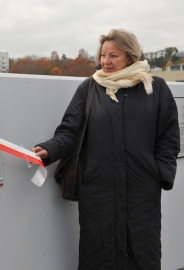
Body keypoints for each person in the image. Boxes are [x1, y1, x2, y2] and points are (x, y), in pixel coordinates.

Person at [32, 29, 180, 269]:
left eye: (114, 56)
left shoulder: (156, 88)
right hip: (98, 192)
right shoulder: (89, 88)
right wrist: (49, 149)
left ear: (130, 57)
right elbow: (70, 131)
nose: (105, 62)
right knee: (97, 254)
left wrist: (159, 174)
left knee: (142, 253)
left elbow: (169, 137)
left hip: (142, 191)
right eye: (103, 55)